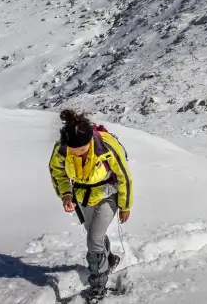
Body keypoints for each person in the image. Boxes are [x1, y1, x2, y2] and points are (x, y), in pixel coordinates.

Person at [49, 109, 133, 301]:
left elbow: (124, 176)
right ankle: (109, 259)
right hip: (82, 195)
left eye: (83, 148)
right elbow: (58, 173)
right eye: (74, 150)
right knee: (94, 235)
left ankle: (98, 285)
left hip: (108, 193)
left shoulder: (106, 146)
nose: (78, 153)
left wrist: (125, 205)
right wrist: (66, 196)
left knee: (93, 240)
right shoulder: (62, 148)